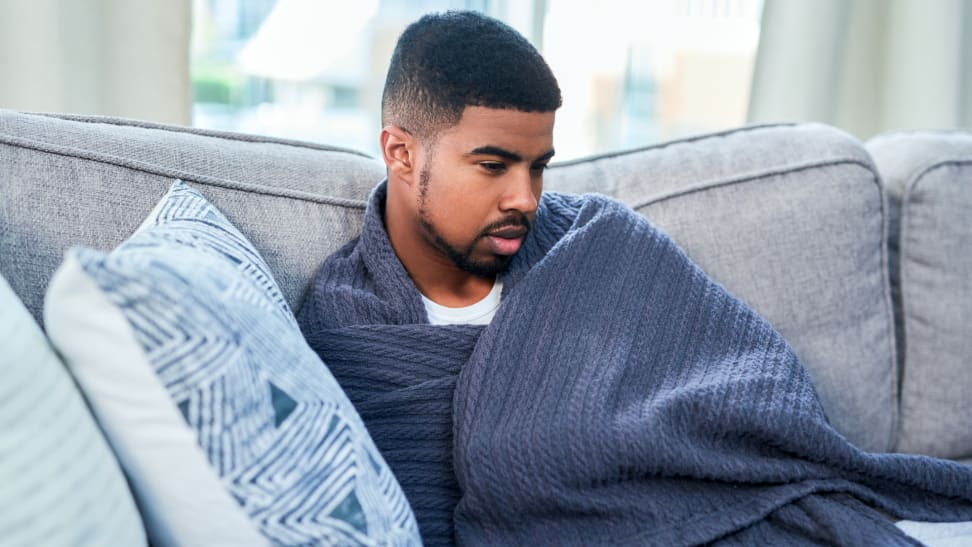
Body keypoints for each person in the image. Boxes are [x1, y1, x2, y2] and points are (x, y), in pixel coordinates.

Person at [299, 10, 972, 546]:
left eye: (538, 166)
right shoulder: (349, 327)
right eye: (494, 165)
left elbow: (754, 379)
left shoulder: (598, 240)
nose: (525, 198)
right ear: (401, 151)